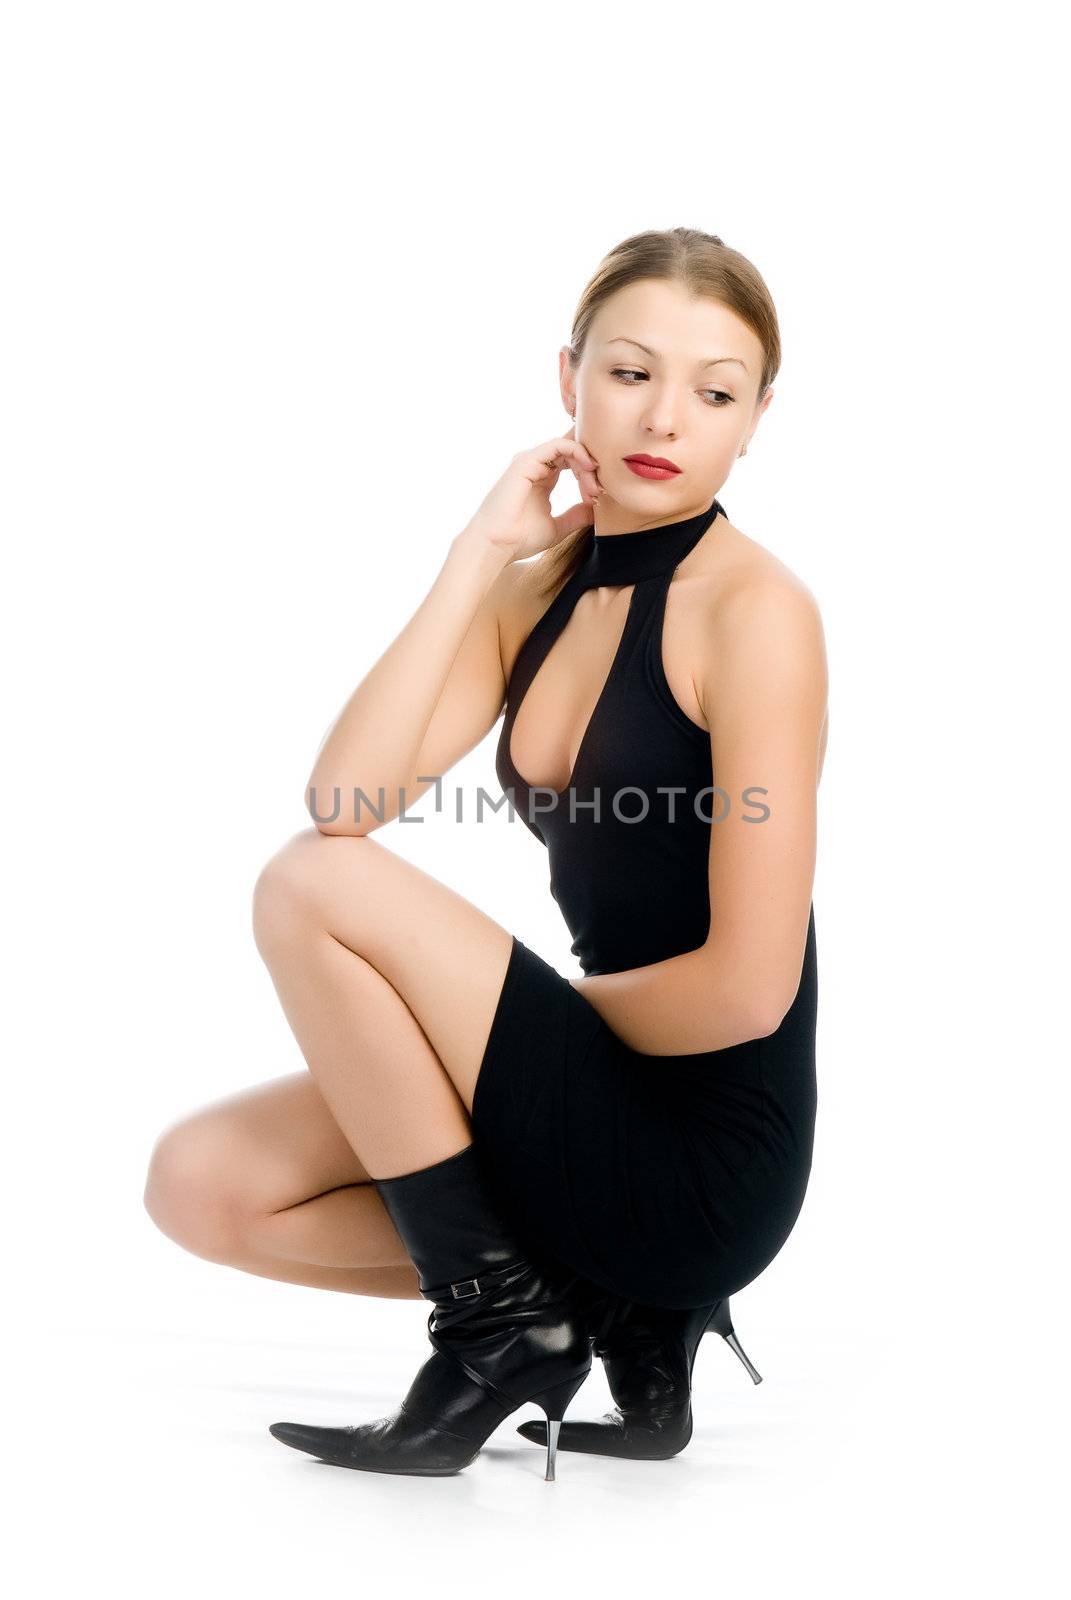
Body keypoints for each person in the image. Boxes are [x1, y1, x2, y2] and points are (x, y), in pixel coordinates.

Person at [142, 226, 828, 1483]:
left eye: (715, 391)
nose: (665, 414)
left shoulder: (758, 612)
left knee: (310, 885)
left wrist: (510, 1040)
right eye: (629, 373)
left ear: (757, 418)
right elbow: (347, 794)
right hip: (593, 1099)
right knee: (203, 1186)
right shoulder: (537, 590)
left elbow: (746, 990)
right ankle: (582, 1303)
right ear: (567, 377)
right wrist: (476, 555)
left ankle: (505, 1326)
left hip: (705, 1144)